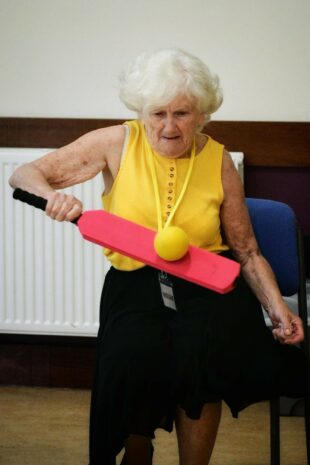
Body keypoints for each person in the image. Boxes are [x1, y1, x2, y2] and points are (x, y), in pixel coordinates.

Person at [9, 48, 308, 465]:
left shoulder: (218, 160)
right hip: (135, 282)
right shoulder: (116, 142)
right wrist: (52, 197)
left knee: (202, 354)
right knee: (133, 353)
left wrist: (279, 311)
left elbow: (247, 250)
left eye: (182, 114)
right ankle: (137, 448)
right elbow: (24, 175)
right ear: (142, 111)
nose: (169, 126)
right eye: (158, 113)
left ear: (202, 114)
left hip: (206, 284)